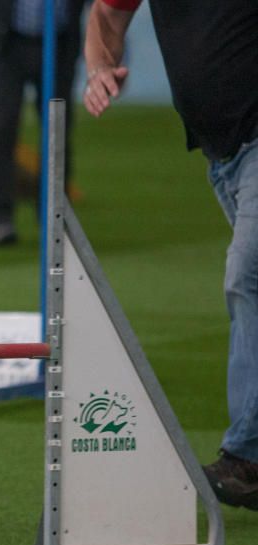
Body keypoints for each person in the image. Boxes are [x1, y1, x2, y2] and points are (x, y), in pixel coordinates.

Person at [83, 0, 258, 509]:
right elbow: (106, 16)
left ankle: (246, 458)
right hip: (223, 156)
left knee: (246, 277)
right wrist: (99, 68)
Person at [0, 0, 87, 247]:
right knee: (1, 127)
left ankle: (54, 216)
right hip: (10, 41)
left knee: (57, 129)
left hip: (60, 43)